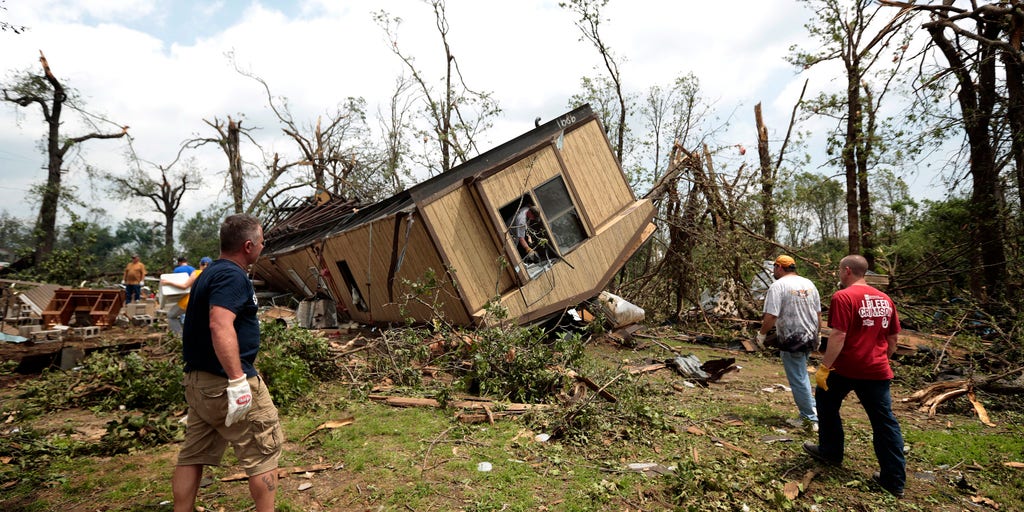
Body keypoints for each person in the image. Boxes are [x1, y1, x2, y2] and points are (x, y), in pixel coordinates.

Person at [172, 215, 281, 512]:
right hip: (225, 383)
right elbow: (220, 324)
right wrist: (237, 381)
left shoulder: (210, 273)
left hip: (199, 383)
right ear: (248, 246)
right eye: (261, 242)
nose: (262, 247)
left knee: (192, 454)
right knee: (263, 450)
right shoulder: (232, 276)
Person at [803, 254, 905, 498]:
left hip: (846, 368)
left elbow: (838, 335)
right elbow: (893, 339)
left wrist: (824, 367)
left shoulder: (843, 296)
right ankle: (894, 481)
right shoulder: (884, 299)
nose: (839, 274)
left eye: (839, 270)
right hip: (877, 370)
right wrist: (882, 357)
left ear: (847, 271)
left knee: (826, 403)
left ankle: (831, 451)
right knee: (884, 422)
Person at [756, 255, 821, 432]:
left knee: (798, 378)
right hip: (810, 336)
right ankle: (814, 411)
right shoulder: (809, 284)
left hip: (792, 339)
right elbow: (818, 313)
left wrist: (762, 334)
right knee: (802, 375)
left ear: (779, 267)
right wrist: (819, 332)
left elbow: (771, 315)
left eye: (774, 268)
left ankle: (810, 418)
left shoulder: (778, 286)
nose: (773, 272)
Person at [160, 256, 211, 336]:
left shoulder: (197, 272)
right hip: (205, 302)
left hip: (190, 300)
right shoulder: (212, 275)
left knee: (171, 315)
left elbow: (184, 286)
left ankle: (179, 337)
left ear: (200, 264)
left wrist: (168, 282)